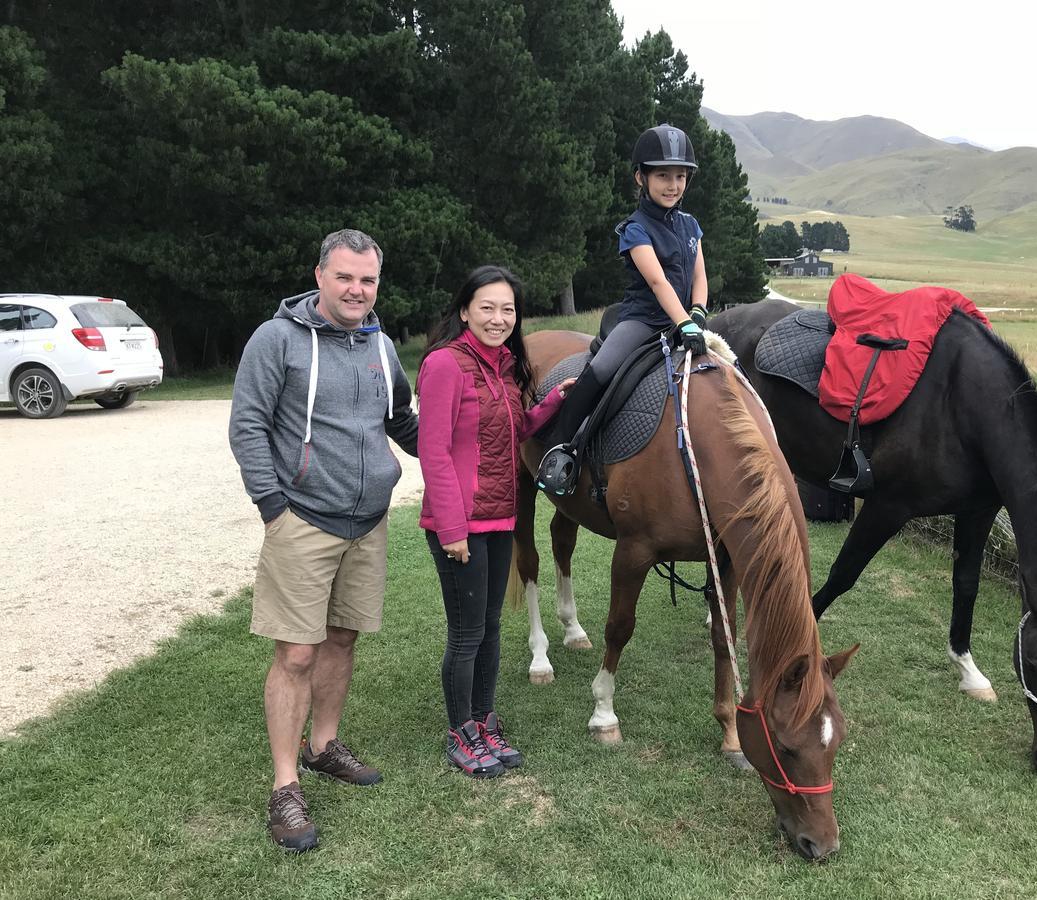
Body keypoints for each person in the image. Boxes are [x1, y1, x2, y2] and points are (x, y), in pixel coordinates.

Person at [229, 228, 419, 853]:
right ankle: (285, 786)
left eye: (367, 280)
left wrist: (468, 435)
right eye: (345, 277)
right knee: (297, 656)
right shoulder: (276, 340)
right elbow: (248, 425)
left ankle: (323, 746)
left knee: (341, 639)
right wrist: (272, 507)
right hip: (302, 519)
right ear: (319, 276)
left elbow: (400, 421)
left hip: (367, 522)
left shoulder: (381, 344)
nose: (356, 290)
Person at [416, 265, 574, 778]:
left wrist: (551, 402)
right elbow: (434, 452)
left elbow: (511, 429)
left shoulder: (505, 366)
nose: (499, 318)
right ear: (465, 310)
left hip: (500, 517)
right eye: (487, 307)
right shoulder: (445, 364)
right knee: (466, 634)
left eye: (508, 309)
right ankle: (460, 731)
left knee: (490, 628)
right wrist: (452, 529)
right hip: (458, 524)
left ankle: (485, 721)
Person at [535, 123, 710, 496]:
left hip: (685, 321)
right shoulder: (635, 228)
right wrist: (682, 321)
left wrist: (698, 312)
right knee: (599, 371)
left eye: (680, 176)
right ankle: (561, 449)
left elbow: (699, 275)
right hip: (644, 321)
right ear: (640, 177)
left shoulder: (691, 225)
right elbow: (658, 282)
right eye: (662, 175)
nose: (672, 185)